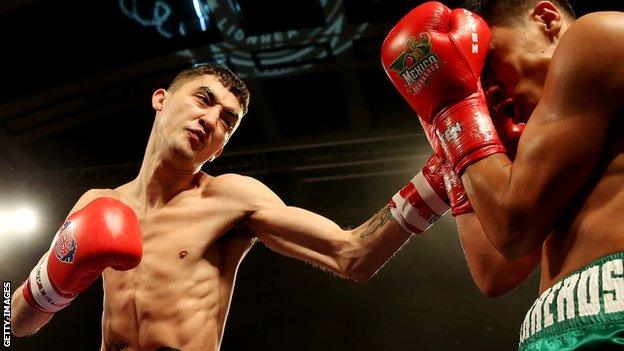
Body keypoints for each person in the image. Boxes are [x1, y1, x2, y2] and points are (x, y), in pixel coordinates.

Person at [11, 64, 453, 350]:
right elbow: (20, 321)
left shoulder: (229, 199)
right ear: (160, 98)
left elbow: (351, 254)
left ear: (222, 148)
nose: (211, 121)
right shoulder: (96, 204)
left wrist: (434, 182)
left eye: (228, 120)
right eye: (204, 100)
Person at [382, 0, 624, 349]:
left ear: (546, 19)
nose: (488, 94)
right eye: (475, 84)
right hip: (554, 332)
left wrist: (453, 107)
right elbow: (497, 270)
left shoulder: (596, 35)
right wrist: (447, 129)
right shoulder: (546, 147)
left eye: (490, 65)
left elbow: (513, 228)